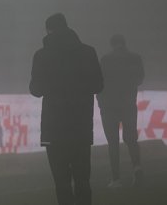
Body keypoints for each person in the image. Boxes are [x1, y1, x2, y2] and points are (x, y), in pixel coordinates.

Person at [29, 13, 103, 205]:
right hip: (81, 126)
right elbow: (98, 86)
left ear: (48, 30)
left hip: (54, 128)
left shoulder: (42, 55)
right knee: (82, 180)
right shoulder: (88, 52)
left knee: (61, 182)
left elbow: (36, 90)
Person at [97, 34, 145, 187]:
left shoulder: (105, 60)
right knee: (131, 138)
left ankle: (116, 178)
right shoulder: (135, 58)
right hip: (128, 103)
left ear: (111, 44)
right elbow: (140, 79)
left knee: (113, 142)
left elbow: (99, 82)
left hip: (109, 106)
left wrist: (101, 102)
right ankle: (137, 167)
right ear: (124, 43)